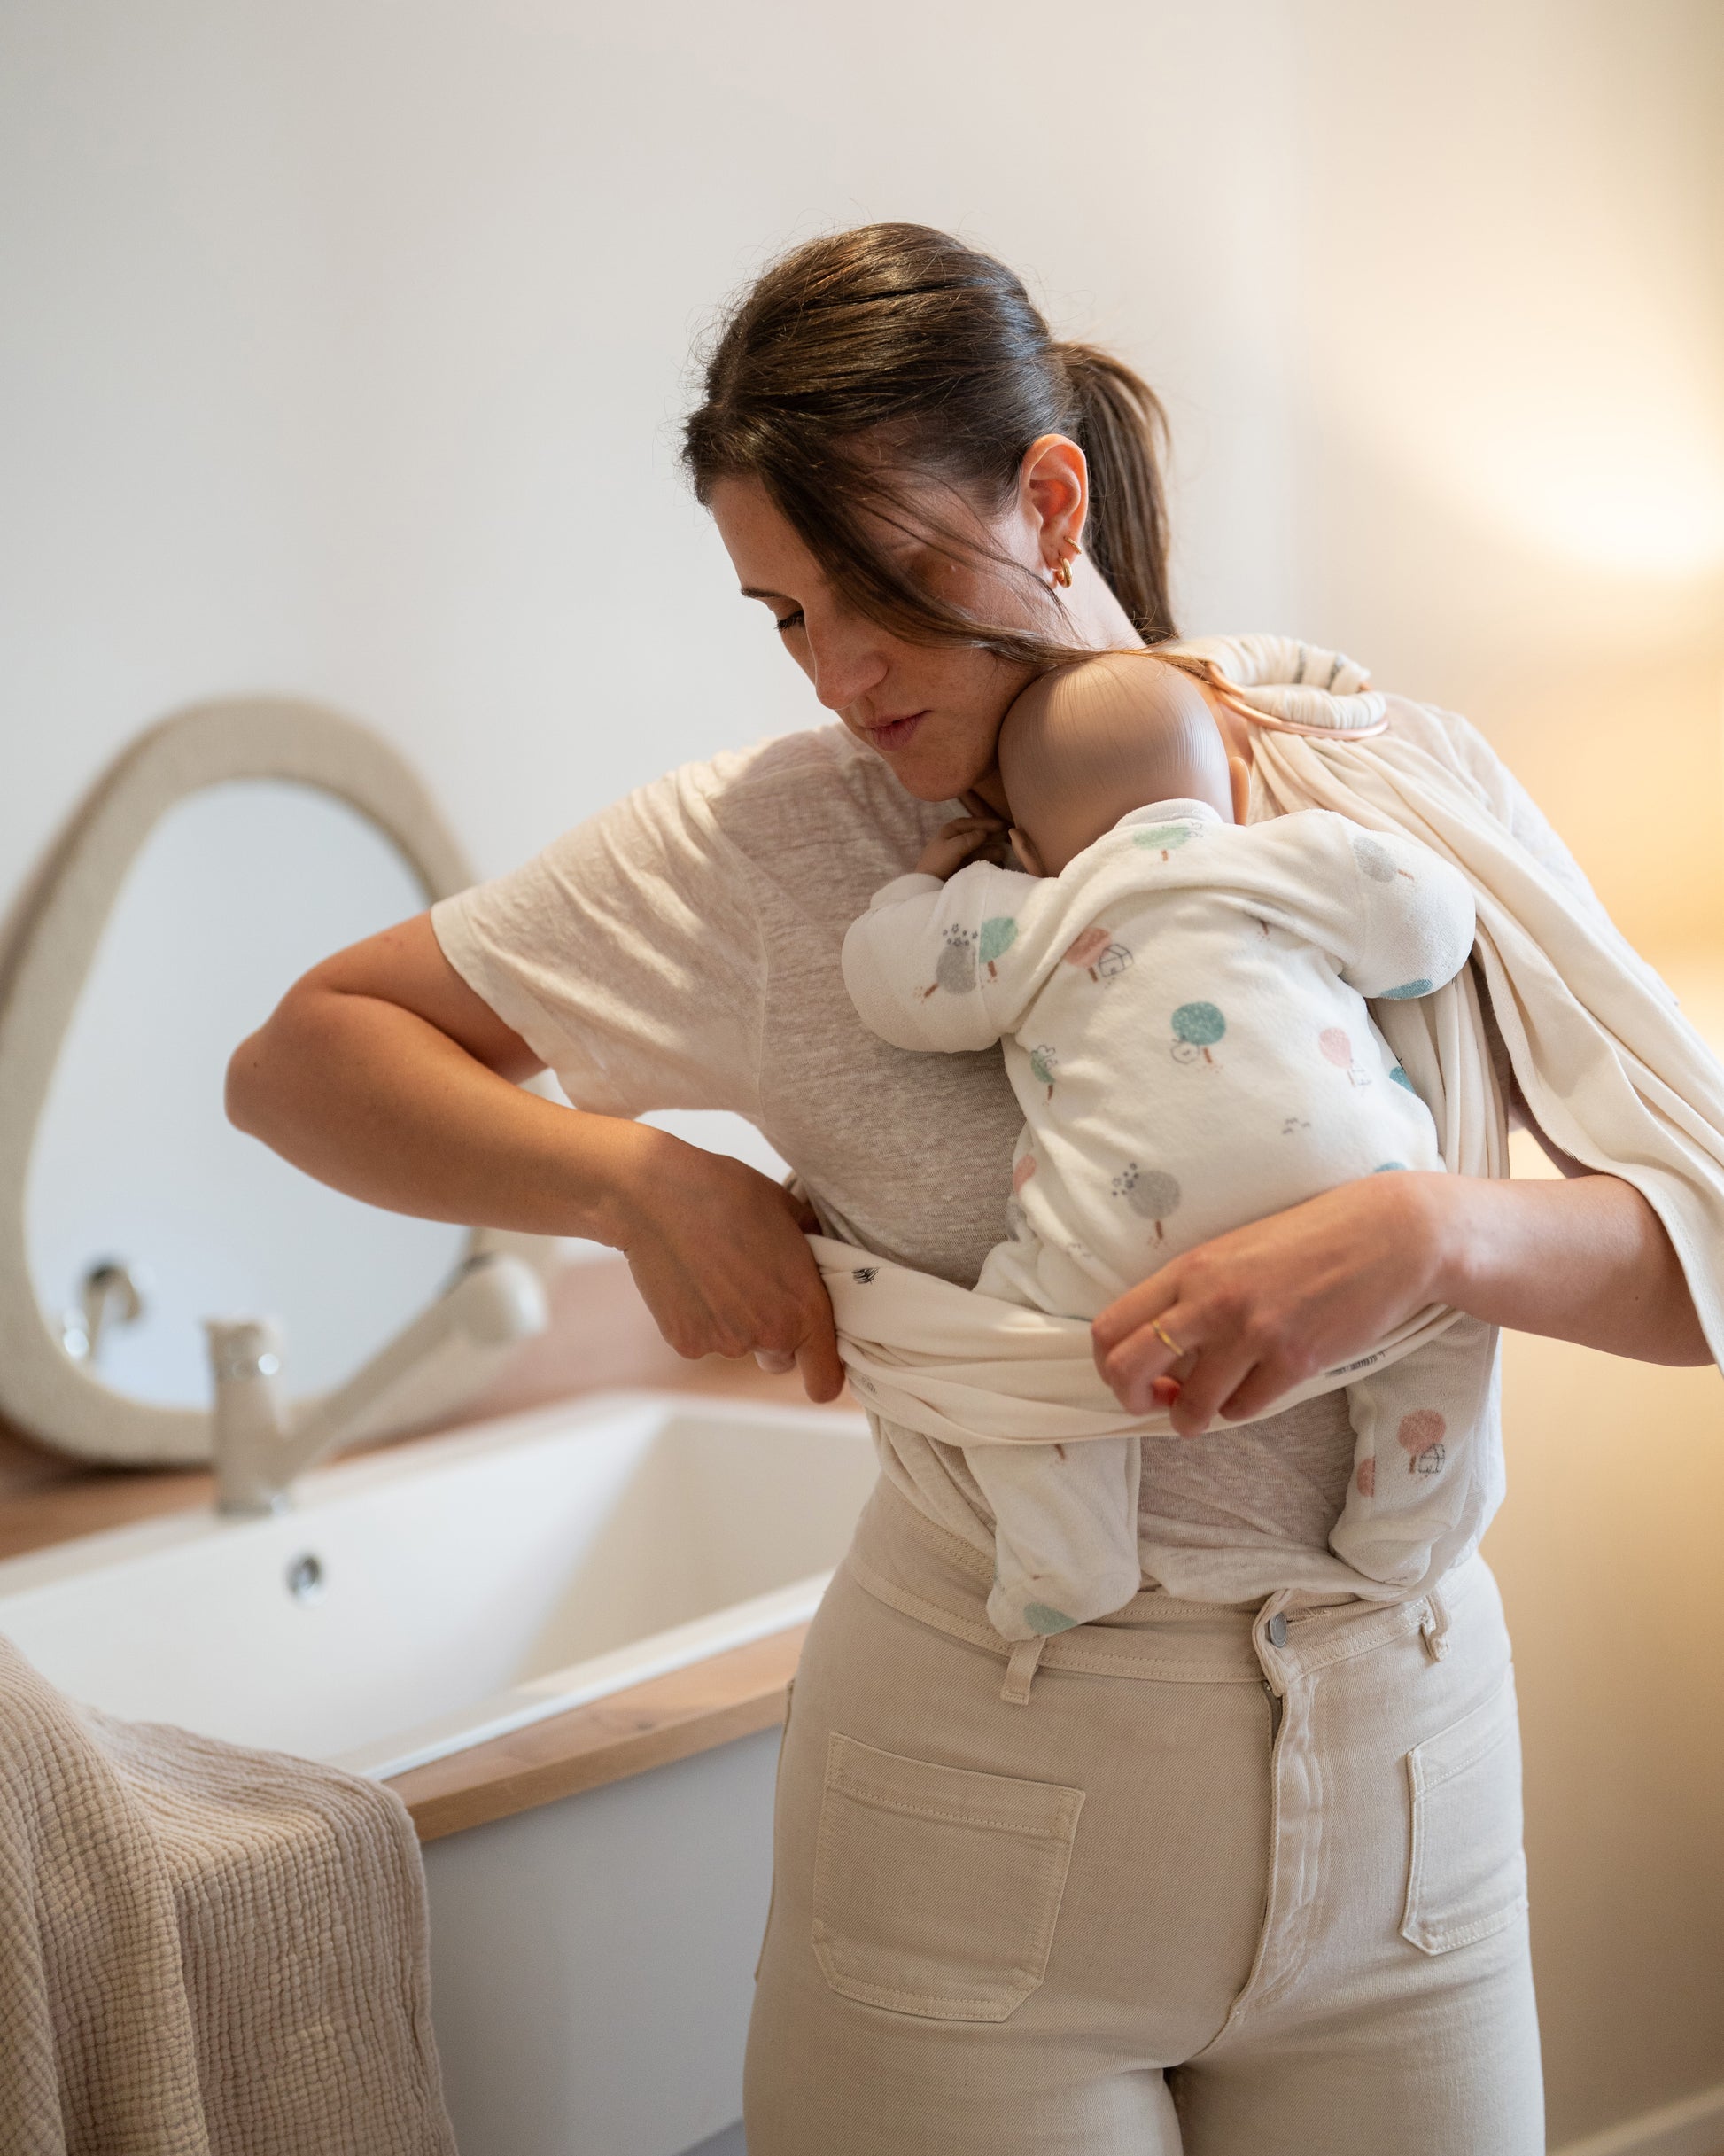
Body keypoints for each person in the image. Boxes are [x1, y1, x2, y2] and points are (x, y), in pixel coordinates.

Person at [227, 224, 1714, 2155]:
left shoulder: (1393, 784)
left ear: (1048, 496)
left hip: (1414, 1814)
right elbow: (303, 1058)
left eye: (887, 588)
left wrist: (1432, 1236)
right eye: (780, 614)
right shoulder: (774, 850)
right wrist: (630, 1181)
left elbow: (1696, 1257)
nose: (841, 674)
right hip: (979, 1816)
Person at [840, 650, 1485, 1646]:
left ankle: (1069, 1562)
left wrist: (921, 888)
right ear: (1228, 783)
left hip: (1124, 1235)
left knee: (1026, 1361)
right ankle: (1406, 1528)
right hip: (1353, 1191)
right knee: (1439, 1323)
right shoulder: (1284, 856)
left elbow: (885, 986)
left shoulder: (1031, 913)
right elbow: (1432, 933)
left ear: (1023, 845)